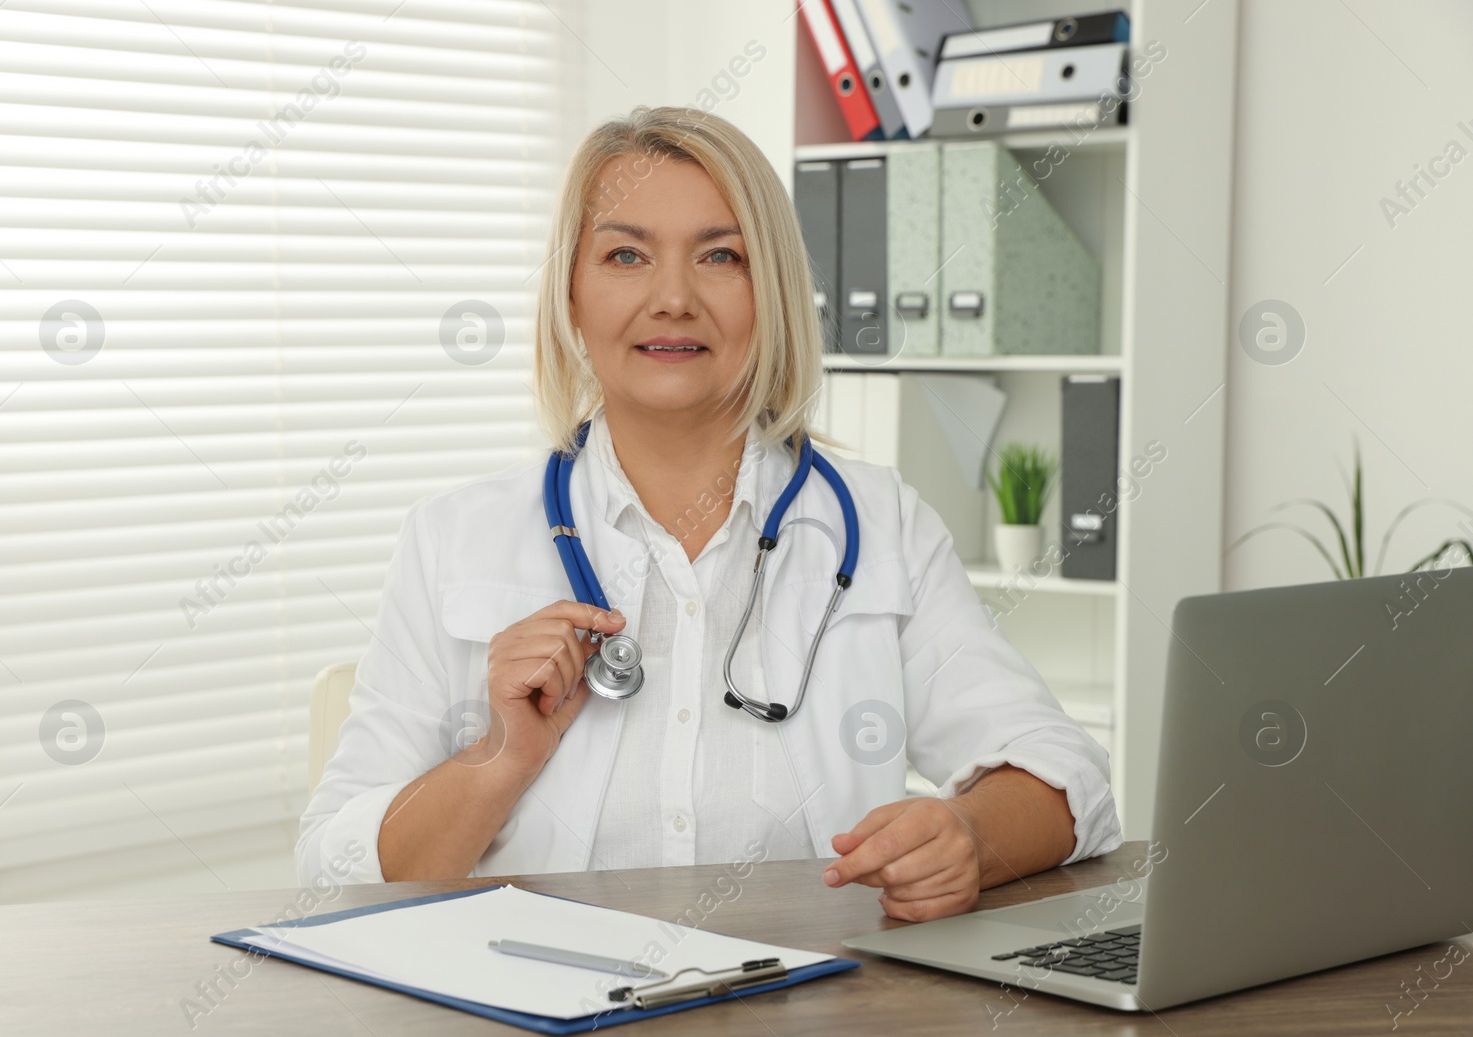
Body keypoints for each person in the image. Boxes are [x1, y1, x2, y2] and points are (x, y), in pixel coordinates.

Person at [299, 105, 1121, 921]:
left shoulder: (879, 523)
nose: (672, 298)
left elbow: (1062, 774)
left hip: (808, 1025)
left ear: (771, 293)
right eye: (625, 254)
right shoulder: (453, 538)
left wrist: (969, 836)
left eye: (720, 256)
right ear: (573, 297)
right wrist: (497, 758)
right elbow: (334, 868)